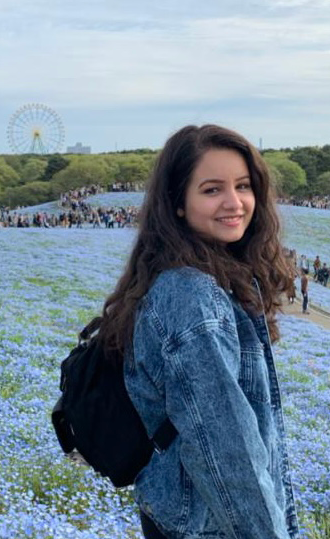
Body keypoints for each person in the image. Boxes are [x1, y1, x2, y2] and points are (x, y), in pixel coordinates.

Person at [99, 125, 299, 539]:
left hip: (184, 516)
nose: (235, 202)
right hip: (208, 526)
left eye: (243, 186)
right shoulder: (193, 296)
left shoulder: (198, 276)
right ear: (178, 203)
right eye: (211, 190)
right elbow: (227, 452)